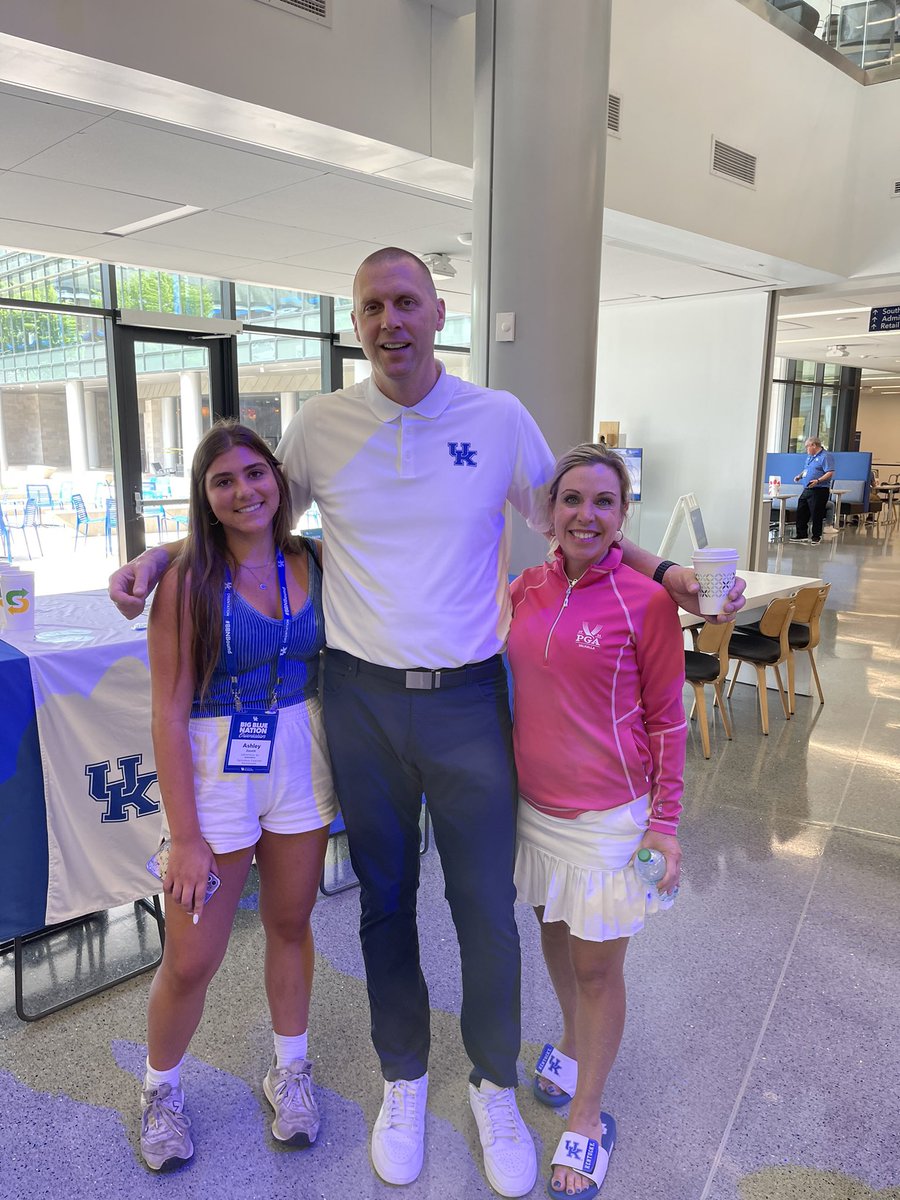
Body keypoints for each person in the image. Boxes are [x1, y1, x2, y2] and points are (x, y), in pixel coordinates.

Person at [111, 247, 745, 1197]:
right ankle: (403, 1078)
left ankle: (491, 1082)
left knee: (484, 908)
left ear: (439, 310)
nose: (389, 320)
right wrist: (164, 557)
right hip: (360, 703)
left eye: (406, 301)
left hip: (466, 700)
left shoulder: (497, 420)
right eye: (371, 307)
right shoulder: (322, 425)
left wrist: (664, 574)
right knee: (384, 901)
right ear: (356, 323)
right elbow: (247, 507)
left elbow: (579, 519)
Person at [140, 421, 336, 1172]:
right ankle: (161, 1090)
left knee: (290, 923)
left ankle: (289, 1071)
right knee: (192, 957)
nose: (244, 490)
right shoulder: (188, 581)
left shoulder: (313, 558)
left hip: (300, 756)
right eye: (224, 480)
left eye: (256, 473)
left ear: (279, 482)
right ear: (206, 497)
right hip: (215, 770)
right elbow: (166, 708)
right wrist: (185, 835)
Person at [508, 443, 686, 1198]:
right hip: (535, 810)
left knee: (596, 964)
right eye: (571, 499)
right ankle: (574, 1042)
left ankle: (586, 1116)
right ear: (549, 511)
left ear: (623, 515)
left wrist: (665, 824)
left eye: (603, 502)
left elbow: (668, 722)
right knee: (553, 928)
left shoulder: (645, 603)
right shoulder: (526, 588)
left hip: (611, 816)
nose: (586, 514)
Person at [790, 436, 835, 545]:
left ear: (814, 445)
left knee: (816, 513)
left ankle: (816, 536)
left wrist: (818, 480)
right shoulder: (810, 457)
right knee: (801, 510)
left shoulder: (825, 456)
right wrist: (800, 476)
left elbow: (830, 472)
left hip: (819, 489)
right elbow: (807, 469)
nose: (806, 449)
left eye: (807, 447)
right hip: (807, 488)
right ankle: (802, 534)